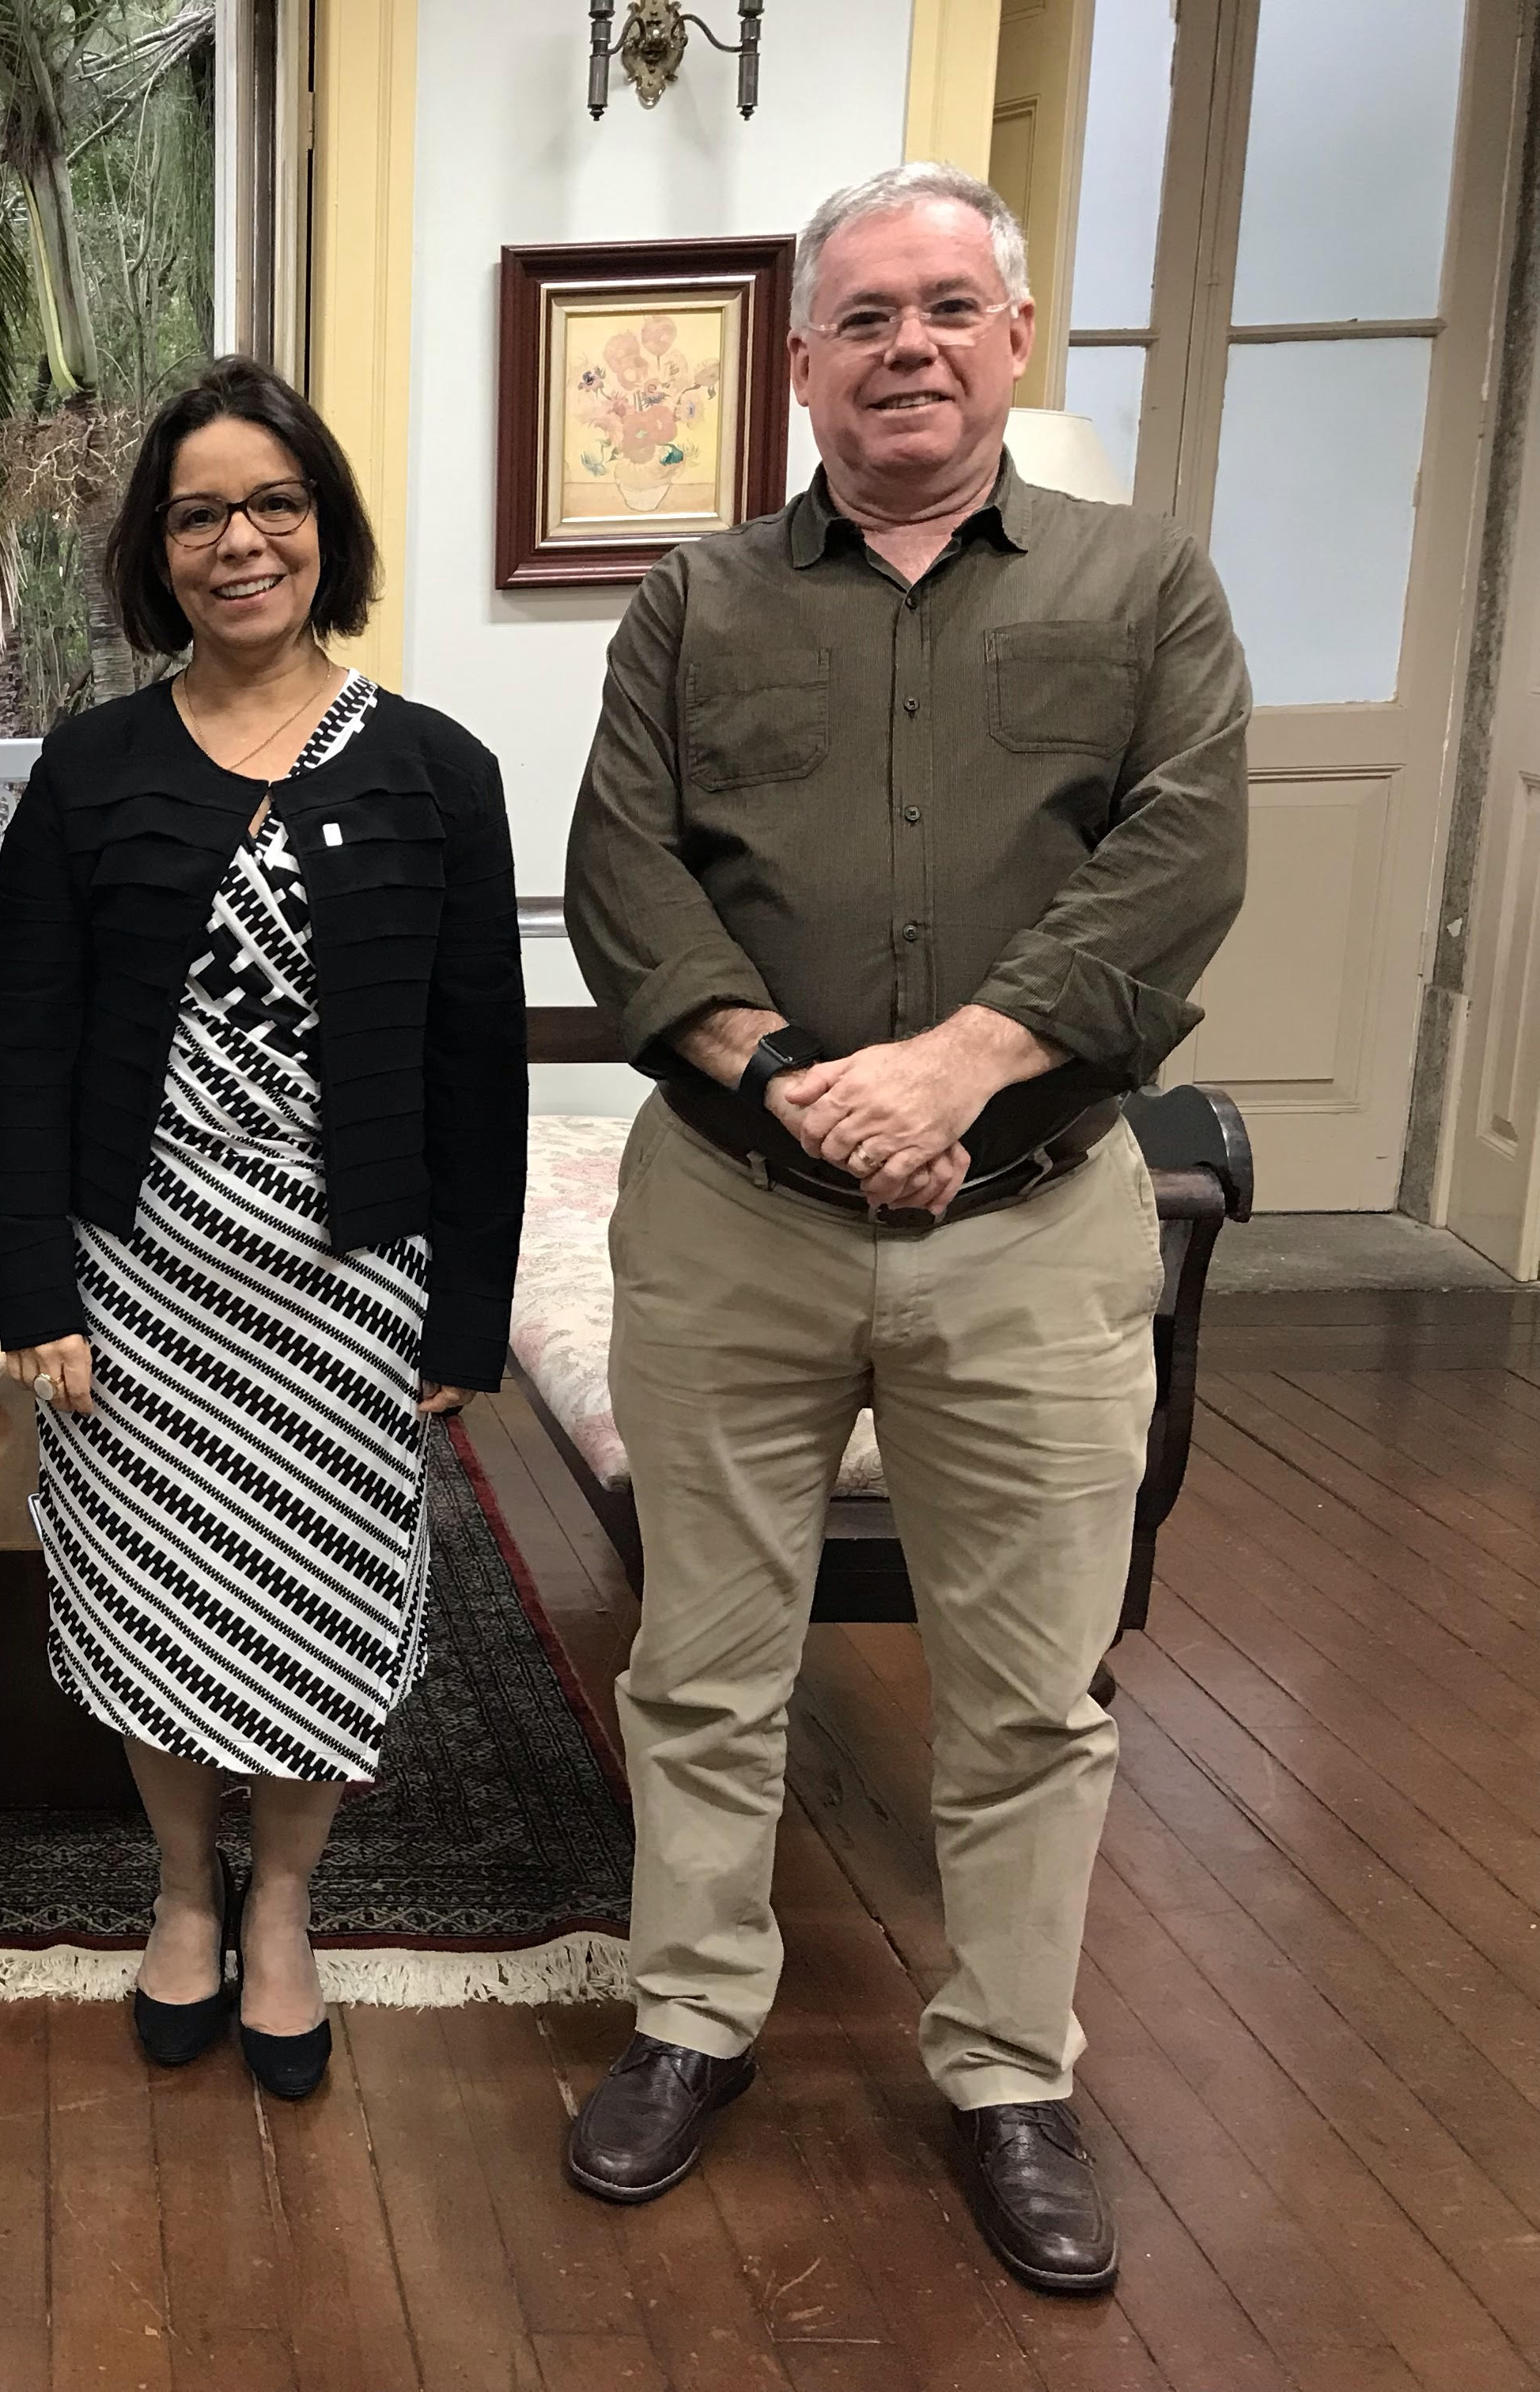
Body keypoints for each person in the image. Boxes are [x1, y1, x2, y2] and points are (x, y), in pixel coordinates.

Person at [559, 164, 1248, 2293]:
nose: (908, 349)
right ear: (801, 368)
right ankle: (691, 2018)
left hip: (1032, 1218)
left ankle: (1009, 2069)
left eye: (948, 307)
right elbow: (625, 876)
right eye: (862, 318)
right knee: (703, 1663)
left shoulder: (1147, 593)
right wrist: (798, 1082)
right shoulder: (696, 604)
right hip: (734, 1216)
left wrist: (956, 1072)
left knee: (1033, 1690)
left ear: (1013, 340)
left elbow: (1180, 860)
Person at [0, 358, 528, 2101]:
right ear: (158, 546)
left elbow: (478, 1072)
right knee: (154, 1595)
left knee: (319, 1593)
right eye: (201, 512)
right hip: (144, 1266)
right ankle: (178, 1894)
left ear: (324, 526)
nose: (240, 541)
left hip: (350, 1268)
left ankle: (282, 1901)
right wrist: (38, 1289)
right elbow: (29, 1048)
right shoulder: (92, 765)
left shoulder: (438, 770)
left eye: (274, 505)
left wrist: (466, 1318)